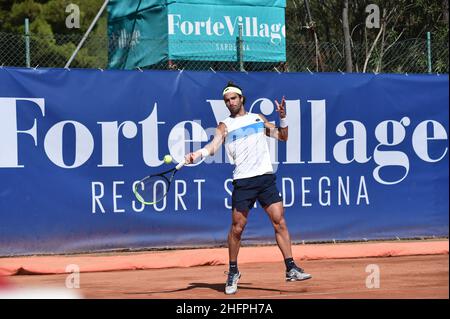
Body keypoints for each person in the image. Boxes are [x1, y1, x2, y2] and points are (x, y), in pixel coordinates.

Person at [184, 81, 311, 295]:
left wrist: (283, 117)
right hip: (243, 181)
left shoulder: (257, 119)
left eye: (233, 98)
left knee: (279, 221)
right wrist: (197, 155)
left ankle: (290, 267)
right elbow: (213, 146)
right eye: (227, 100)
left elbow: (283, 136)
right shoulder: (224, 125)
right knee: (237, 228)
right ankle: (233, 271)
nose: (230, 102)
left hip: (265, 178)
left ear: (242, 98)